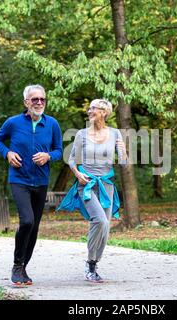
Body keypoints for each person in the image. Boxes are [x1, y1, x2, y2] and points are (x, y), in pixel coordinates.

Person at [0, 84, 62, 285]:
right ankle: (16, 265)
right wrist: (7, 153)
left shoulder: (52, 124)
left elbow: (59, 150)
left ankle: (23, 268)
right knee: (27, 221)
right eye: (35, 99)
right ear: (26, 102)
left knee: (35, 226)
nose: (39, 102)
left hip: (41, 181)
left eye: (42, 99)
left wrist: (48, 155)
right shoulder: (13, 123)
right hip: (19, 179)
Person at [57, 98, 127, 283]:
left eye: (93, 108)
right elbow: (72, 160)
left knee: (105, 229)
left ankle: (94, 264)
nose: (89, 111)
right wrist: (78, 174)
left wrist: (123, 151)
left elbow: (124, 163)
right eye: (88, 108)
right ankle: (89, 263)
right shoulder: (81, 134)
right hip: (86, 184)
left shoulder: (114, 133)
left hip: (106, 185)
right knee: (100, 221)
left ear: (104, 112)